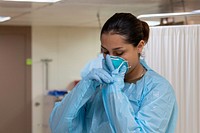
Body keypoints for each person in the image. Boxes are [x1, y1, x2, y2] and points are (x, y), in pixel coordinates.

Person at [49, 13, 178, 133]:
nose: (110, 59)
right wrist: (82, 89)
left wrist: (114, 92)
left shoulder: (158, 89)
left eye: (119, 53)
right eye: (105, 52)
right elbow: (58, 126)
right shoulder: (97, 84)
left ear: (139, 46)